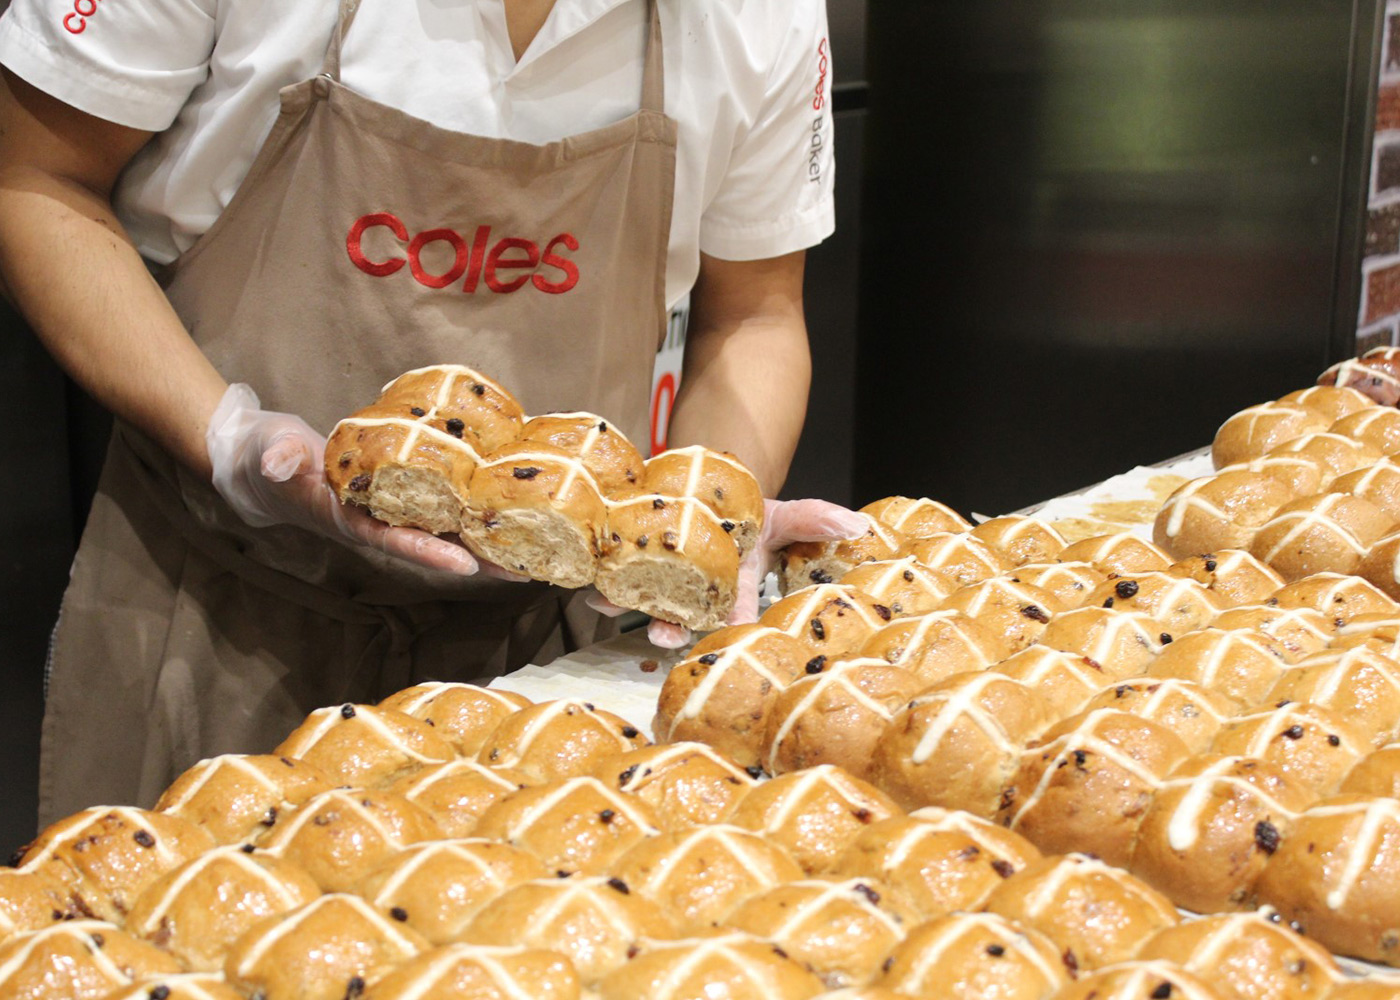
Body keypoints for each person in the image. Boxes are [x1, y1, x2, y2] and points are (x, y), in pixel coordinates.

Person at [0, 0, 863, 826]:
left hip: (546, 667)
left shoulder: (757, 12)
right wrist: (228, 440)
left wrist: (710, 509)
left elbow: (752, 313)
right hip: (214, 613)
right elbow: (32, 174)